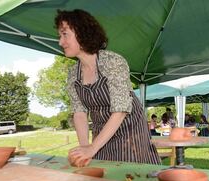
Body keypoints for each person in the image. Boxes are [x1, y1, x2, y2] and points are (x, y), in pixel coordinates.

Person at [56, 9, 160, 166]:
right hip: (101, 132)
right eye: (60, 36)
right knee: (103, 172)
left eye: (65, 35)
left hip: (130, 131)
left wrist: (92, 148)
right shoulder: (73, 74)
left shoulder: (112, 62)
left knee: (131, 175)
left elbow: (120, 110)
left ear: (82, 33)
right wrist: (85, 149)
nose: (60, 42)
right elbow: (79, 113)